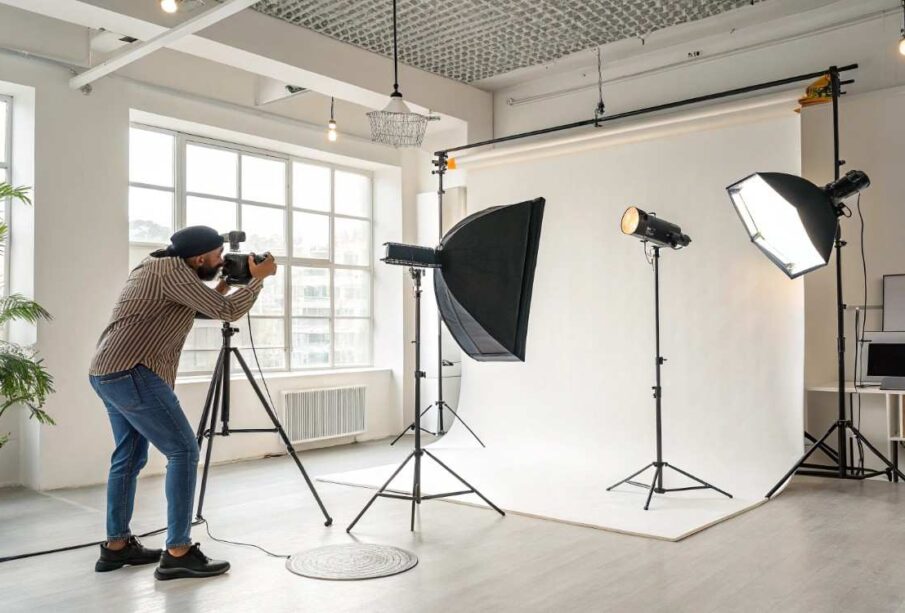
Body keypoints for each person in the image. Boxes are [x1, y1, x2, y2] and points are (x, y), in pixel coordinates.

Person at [88, 226, 277, 580]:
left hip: (107, 371)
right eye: (217, 256)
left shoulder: (159, 265)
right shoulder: (173, 272)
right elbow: (227, 312)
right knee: (184, 451)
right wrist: (257, 280)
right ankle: (178, 551)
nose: (222, 261)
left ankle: (116, 546)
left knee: (129, 456)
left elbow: (199, 309)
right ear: (199, 258)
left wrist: (225, 284)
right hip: (133, 371)